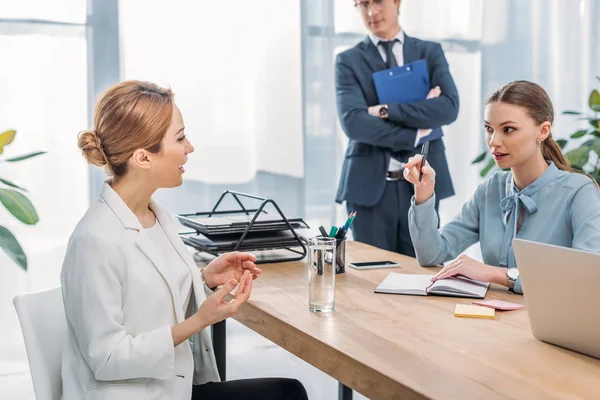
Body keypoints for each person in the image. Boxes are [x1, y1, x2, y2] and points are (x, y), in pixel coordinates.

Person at [61, 80, 308, 400]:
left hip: (171, 386)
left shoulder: (154, 215)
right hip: (132, 394)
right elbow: (107, 359)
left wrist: (205, 279)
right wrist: (199, 321)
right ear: (143, 157)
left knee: (288, 391)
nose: (189, 147)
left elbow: (151, 296)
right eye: (180, 138)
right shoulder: (93, 240)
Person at [404, 80, 600, 294]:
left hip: (553, 323)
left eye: (508, 129)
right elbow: (431, 254)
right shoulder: (491, 190)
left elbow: (589, 276)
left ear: (542, 131)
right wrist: (424, 192)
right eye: (489, 129)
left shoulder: (580, 192)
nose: (493, 141)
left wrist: (498, 275)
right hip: (492, 319)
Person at [335, 0, 459, 256]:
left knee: (420, 269)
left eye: (378, 2)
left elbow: (448, 108)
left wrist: (387, 111)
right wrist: (415, 132)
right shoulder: (348, 60)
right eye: (363, 4)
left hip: (421, 183)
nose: (371, 12)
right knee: (372, 275)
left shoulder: (430, 52)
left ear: (397, 2)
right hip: (370, 187)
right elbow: (354, 123)